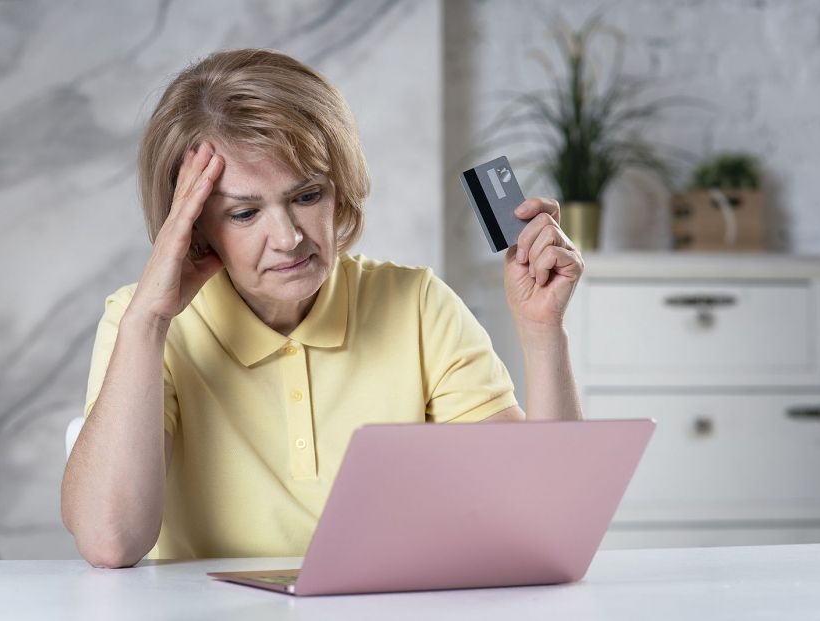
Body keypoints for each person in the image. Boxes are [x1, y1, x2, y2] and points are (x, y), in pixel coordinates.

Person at [61, 48, 584, 569]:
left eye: (307, 196)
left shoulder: (418, 305)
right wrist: (149, 323)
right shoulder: (142, 322)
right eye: (244, 213)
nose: (288, 238)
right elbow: (111, 542)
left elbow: (538, 520)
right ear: (194, 228)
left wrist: (543, 332)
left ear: (340, 189)